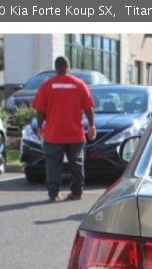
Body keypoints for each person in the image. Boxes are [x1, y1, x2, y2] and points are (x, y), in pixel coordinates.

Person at [32, 56, 96, 202]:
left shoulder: (46, 86)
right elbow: (88, 108)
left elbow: (40, 111)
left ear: (56, 68)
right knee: (77, 163)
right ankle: (77, 192)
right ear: (68, 67)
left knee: (53, 165)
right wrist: (92, 125)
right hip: (74, 133)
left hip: (53, 134)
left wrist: (40, 127)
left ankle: (54, 194)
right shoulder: (79, 84)